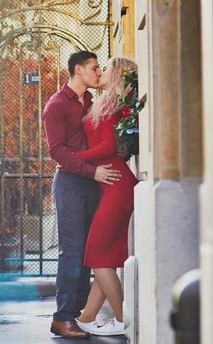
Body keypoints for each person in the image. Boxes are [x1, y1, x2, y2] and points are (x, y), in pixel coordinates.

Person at [43, 50, 122, 339]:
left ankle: (76, 314)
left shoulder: (91, 101)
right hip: (71, 184)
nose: (98, 72)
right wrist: (92, 172)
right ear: (78, 70)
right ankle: (62, 317)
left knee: (89, 252)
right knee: (72, 252)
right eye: (94, 68)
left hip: (92, 183)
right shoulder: (56, 105)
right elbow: (57, 152)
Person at [73, 57, 139, 336]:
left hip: (117, 186)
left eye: (106, 68)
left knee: (98, 257)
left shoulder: (112, 105)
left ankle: (124, 319)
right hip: (114, 186)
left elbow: (108, 145)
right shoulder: (103, 103)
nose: (101, 72)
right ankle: (87, 317)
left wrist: (73, 158)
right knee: (104, 257)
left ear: (118, 74)